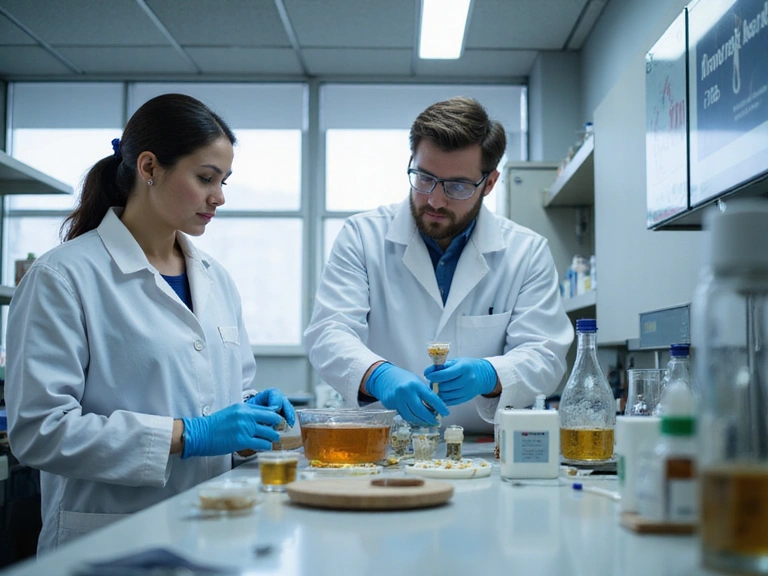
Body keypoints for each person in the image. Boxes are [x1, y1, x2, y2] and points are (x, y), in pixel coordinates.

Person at [5, 93, 296, 554]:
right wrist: (187, 436)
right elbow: (39, 433)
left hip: (214, 529)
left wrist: (249, 418)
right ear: (148, 167)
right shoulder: (63, 277)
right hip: (107, 540)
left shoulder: (216, 280)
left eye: (224, 181)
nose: (219, 197)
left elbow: (221, 394)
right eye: (205, 178)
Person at [304, 96, 573, 432]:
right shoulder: (362, 236)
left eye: (457, 186)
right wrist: (378, 376)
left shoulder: (526, 252)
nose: (435, 199)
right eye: (424, 177)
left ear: (488, 183)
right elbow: (328, 333)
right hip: (387, 446)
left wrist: (491, 375)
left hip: (485, 453)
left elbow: (545, 355)